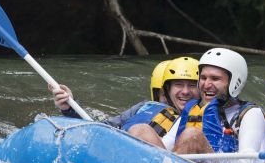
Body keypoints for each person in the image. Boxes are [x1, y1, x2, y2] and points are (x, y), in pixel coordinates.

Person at [160, 47, 265, 163]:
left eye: (215, 79)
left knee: (192, 135)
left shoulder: (250, 114)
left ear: (234, 82)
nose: (206, 84)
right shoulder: (195, 109)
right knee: (141, 130)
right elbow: (163, 148)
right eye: (203, 78)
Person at [51, 57, 199, 139]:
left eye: (192, 86)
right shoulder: (144, 107)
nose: (184, 92)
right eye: (178, 85)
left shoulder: (205, 116)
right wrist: (70, 107)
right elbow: (101, 127)